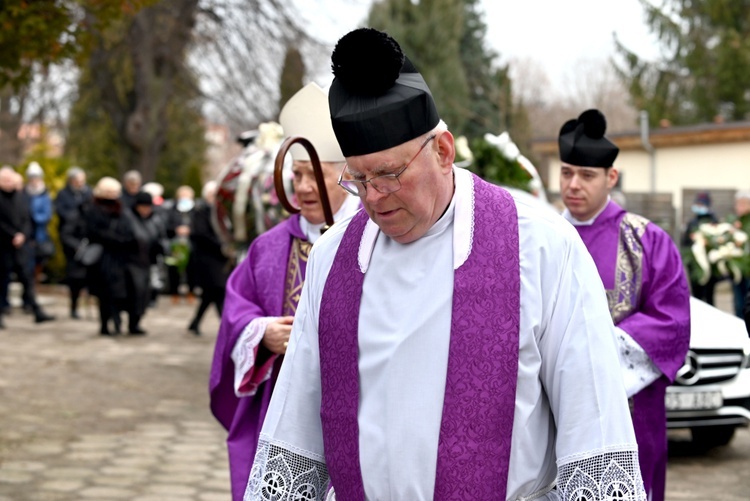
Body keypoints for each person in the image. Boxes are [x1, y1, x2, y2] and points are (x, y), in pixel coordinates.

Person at [244, 29, 645, 501]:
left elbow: (593, 426)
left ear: (443, 150)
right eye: (359, 179)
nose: (373, 198)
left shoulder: (541, 247)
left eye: (391, 175)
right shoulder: (334, 258)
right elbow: (296, 431)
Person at [210, 81, 361, 501]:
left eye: (316, 175)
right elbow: (235, 313)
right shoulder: (270, 247)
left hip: (355, 409)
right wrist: (262, 334)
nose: (304, 187)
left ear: (346, 175)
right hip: (281, 406)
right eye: (297, 174)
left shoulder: (372, 238)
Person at [558, 109, 691, 501]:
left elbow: (673, 323)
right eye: (566, 173)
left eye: (586, 175)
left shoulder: (645, 240)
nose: (574, 185)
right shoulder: (541, 238)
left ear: (610, 177)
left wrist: (591, 352)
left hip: (631, 417)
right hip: (557, 416)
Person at [0, 166, 54, 326]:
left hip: (21, 245)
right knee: (3, 280)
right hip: (3, 245)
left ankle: (36, 310)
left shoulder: (21, 196)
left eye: (10, 179)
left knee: (27, 277)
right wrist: (12, 235)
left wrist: (22, 235)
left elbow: (27, 218)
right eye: (5, 180)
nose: (9, 183)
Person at [84, 177, 134, 335]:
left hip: (119, 256)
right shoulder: (93, 208)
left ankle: (117, 320)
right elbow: (93, 231)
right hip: (102, 257)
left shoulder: (122, 209)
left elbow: (128, 229)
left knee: (118, 292)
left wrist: (122, 240)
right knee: (104, 293)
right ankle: (105, 324)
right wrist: (114, 238)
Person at [187, 181, 230, 336]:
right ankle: (225, 326)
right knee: (217, 290)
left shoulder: (220, 212)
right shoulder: (200, 211)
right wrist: (222, 245)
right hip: (207, 258)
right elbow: (200, 234)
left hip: (219, 258)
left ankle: (196, 322)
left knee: (211, 293)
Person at [124, 191, 165, 335]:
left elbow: (158, 239)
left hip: (147, 262)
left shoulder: (154, 220)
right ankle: (131, 323)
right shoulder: (128, 218)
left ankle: (136, 322)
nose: (146, 210)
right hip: (132, 262)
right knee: (135, 293)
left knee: (144, 295)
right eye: (143, 206)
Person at [56, 167, 93, 319]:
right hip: (73, 244)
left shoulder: (88, 193)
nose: (80, 183)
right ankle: (74, 307)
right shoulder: (63, 195)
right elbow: (62, 219)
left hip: (88, 244)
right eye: (77, 181)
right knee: (75, 278)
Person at [682, 190, 719, 304]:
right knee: (696, 297)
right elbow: (685, 243)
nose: (699, 206)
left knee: (709, 296)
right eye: (697, 204)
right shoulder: (692, 222)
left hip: (709, 267)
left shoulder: (714, 221)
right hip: (694, 267)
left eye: (701, 204)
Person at [729, 190, 750, 317]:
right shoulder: (734, 223)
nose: (739, 207)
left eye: (743, 204)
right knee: (738, 302)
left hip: (748, 269)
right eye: (738, 204)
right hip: (737, 268)